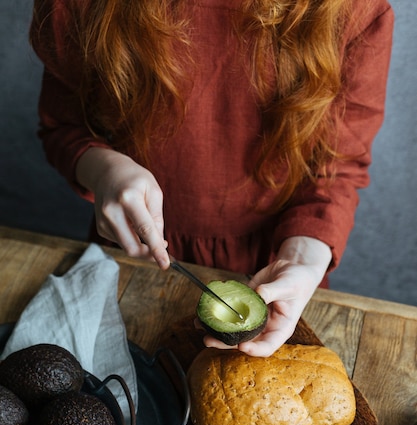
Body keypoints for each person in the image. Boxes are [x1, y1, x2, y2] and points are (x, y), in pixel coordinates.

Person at [29, 0, 394, 357]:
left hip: (279, 266)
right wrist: (103, 167)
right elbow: (63, 128)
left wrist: (302, 258)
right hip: (130, 254)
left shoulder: (357, 10)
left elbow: (337, 167)